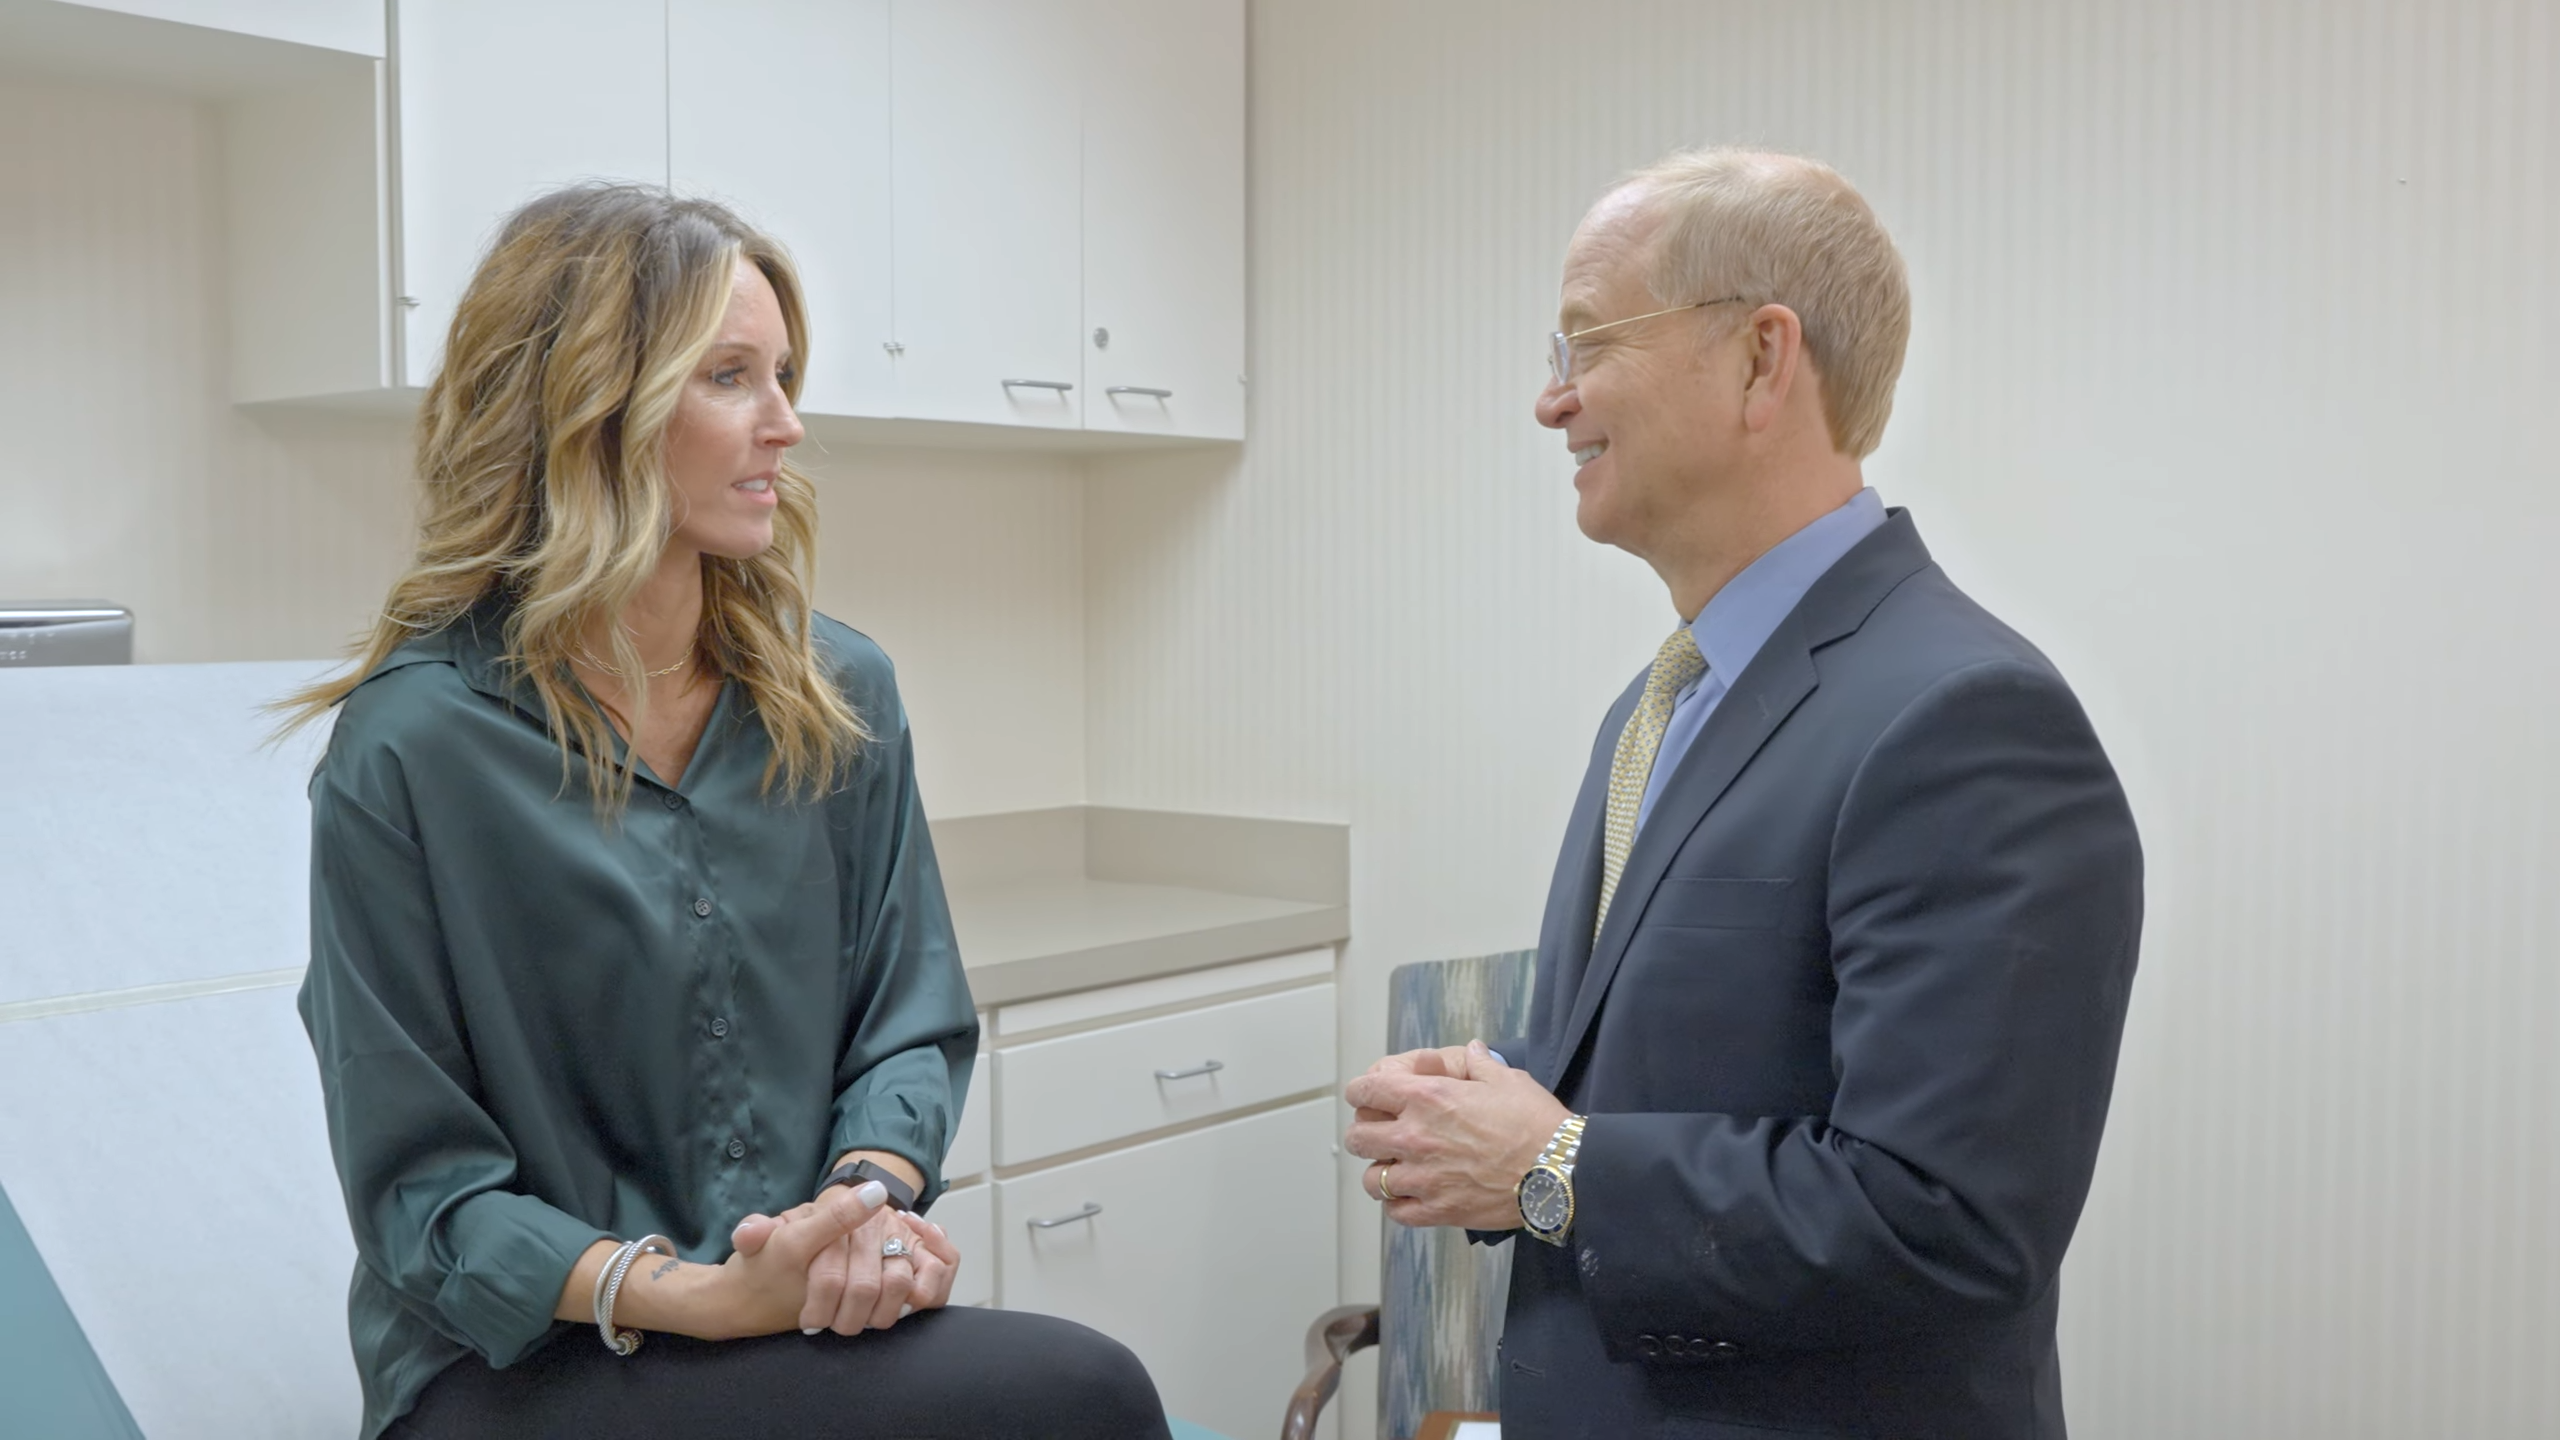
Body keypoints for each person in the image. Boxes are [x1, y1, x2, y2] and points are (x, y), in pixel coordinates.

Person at [283, 184, 1170, 1440]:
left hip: (785, 1320)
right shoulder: (412, 746)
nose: (786, 425)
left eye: (786, 375)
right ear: (589, 408)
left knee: (1079, 1391)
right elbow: (421, 1191)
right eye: (730, 378)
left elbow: (907, 1024)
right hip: (527, 1356)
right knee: (1084, 1398)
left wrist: (861, 1209)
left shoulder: (838, 695)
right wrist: (696, 1295)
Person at [1343, 148, 2144, 1439]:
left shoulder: (1967, 721)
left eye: (1588, 344)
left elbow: (1943, 1221)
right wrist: (1493, 1110)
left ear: (1764, 361)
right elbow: (1677, 1084)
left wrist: (1551, 1168)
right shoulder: (1659, 706)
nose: (1552, 402)